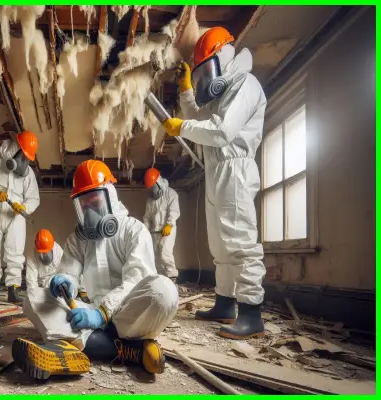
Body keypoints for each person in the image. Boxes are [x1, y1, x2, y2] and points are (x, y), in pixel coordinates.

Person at [13, 160, 179, 379]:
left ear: (109, 197)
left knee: (164, 292)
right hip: (89, 310)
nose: (90, 212)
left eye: (95, 203)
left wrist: (103, 313)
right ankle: (131, 350)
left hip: (129, 313)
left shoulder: (134, 230)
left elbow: (136, 278)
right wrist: (65, 281)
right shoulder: (78, 239)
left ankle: (89, 344)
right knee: (33, 298)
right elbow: (69, 272)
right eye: (84, 206)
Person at [165, 27, 267, 340]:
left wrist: (181, 126)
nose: (205, 82)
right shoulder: (224, 94)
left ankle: (251, 313)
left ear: (223, 58)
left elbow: (221, 131)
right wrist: (185, 91)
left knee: (240, 243)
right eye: (199, 76)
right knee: (220, 246)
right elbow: (200, 116)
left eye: (206, 71)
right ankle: (225, 304)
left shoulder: (245, 85)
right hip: (218, 173)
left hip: (235, 171)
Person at [0, 131, 40, 305]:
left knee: (15, 253)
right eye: (23, 156)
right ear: (15, 150)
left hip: (15, 217)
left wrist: (24, 207)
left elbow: (34, 198)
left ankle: (13, 290)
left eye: (27, 158)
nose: (24, 162)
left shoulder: (28, 173)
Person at [26, 229, 90, 303]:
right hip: (44, 285)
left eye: (47, 251)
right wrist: (33, 297)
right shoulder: (32, 256)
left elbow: (67, 270)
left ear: (52, 244)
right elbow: (31, 280)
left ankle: (79, 294)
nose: (45, 254)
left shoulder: (58, 250)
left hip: (58, 279)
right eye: (42, 252)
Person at [142, 168, 180, 281]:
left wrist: (169, 224)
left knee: (164, 252)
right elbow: (147, 217)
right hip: (154, 231)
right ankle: (159, 280)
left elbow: (174, 211)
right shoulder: (150, 199)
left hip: (167, 229)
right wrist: (145, 230)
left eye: (153, 187)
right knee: (152, 255)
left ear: (158, 183)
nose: (152, 191)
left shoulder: (171, 194)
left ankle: (172, 277)